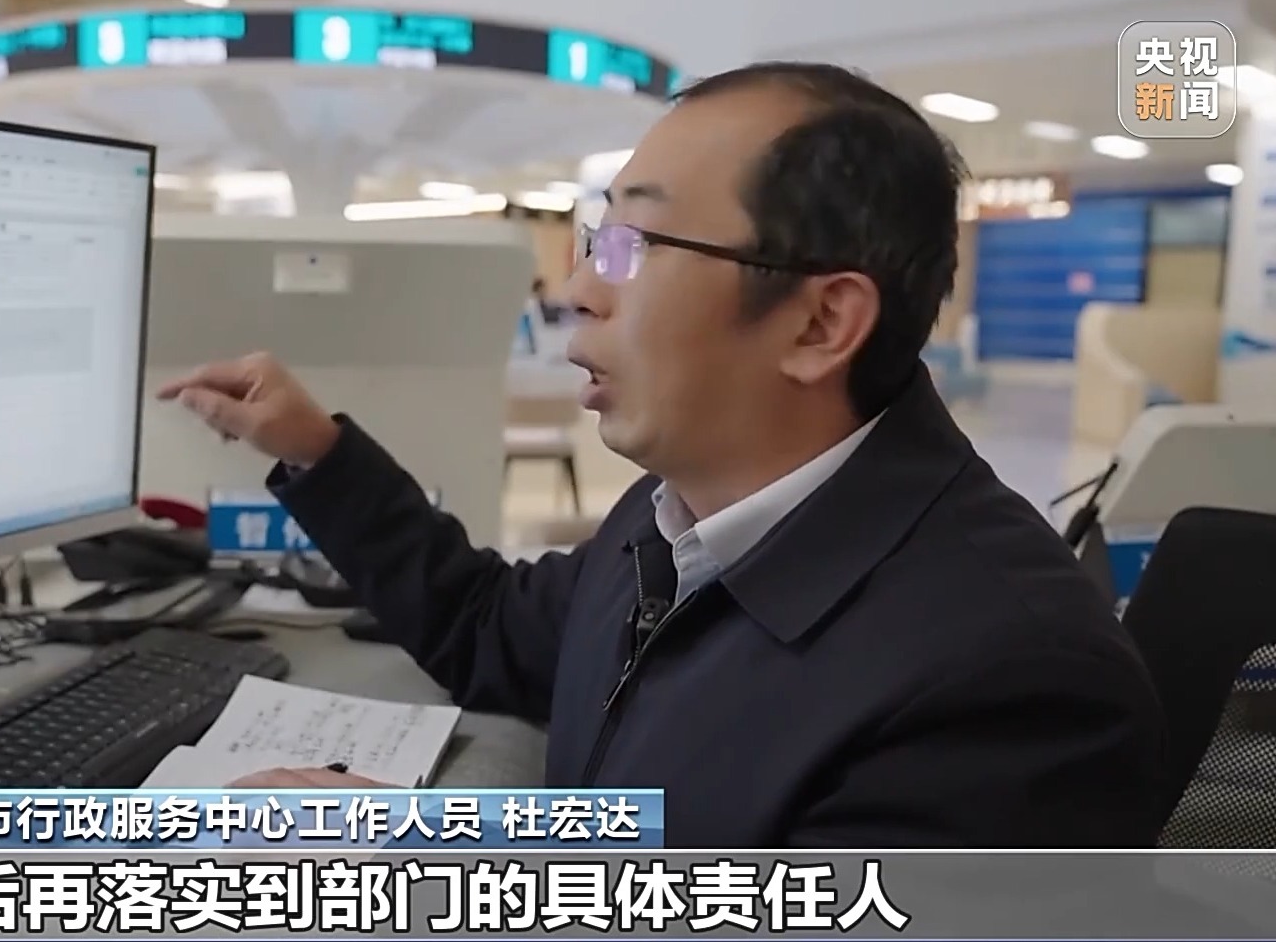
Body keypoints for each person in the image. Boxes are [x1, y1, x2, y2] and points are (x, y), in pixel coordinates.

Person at [157, 62, 1166, 847]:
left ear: (820, 322)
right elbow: (490, 628)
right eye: (598, 241)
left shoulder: (1009, 685)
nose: (580, 291)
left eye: (635, 246)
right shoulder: (677, 515)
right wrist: (317, 451)